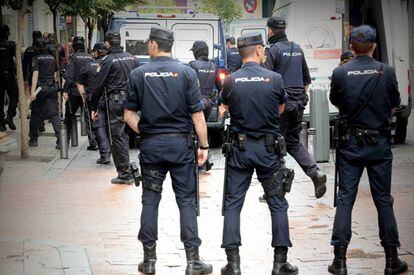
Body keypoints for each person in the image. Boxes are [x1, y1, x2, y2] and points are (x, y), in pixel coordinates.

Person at [124, 26, 212, 275]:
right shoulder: (186, 73)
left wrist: (146, 131)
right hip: (181, 147)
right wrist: (204, 146)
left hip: (151, 147)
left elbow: (128, 115)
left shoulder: (138, 74)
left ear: (153, 44)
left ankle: (149, 260)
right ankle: (193, 260)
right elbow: (198, 117)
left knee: (150, 200)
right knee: (186, 201)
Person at [328, 25, 407, 275]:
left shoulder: (341, 73)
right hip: (379, 144)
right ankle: (392, 259)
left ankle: (339, 261)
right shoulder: (387, 71)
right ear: (374, 45)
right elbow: (395, 102)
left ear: (351, 46)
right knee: (383, 200)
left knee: (345, 200)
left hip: (351, 144)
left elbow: (336, 101)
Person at [219, 32, 297, 275]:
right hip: (268, 150)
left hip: (240, 149)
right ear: (260, 51)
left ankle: (233, 264)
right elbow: (281, 108)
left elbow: (225, 106)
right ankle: (280, 262)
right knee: (277, 203)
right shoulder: (274, 79)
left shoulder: (230, 81)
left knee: (233, 204)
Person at [263, 16, 327, 199]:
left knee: (274, 143)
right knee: (292, 142)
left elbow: (267, 82)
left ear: (270, 30)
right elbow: (306, 81)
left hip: (281, 106)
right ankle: (315, 172)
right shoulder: (297, 49)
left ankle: (276, 188)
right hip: (299, 103)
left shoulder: (272, 51)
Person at [90, 32, 139, 184]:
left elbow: (98, 85)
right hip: (133, 100)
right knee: (139, 131)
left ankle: (125, 174)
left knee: (118, 137)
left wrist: (93, 106)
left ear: (107, 44)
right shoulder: (132, 57)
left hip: (116, 102)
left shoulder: (107, 61)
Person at [189, 40, 221, 171]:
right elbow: (220, 86)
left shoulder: (192, 65)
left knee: (192, 132)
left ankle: (196, 162)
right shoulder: (213, 66)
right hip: (209, 103)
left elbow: (190, 86)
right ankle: (205, 161)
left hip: (196, 103)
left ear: (196, 52)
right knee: (203, 130)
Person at [77, 42, 111, 164]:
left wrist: (84, 97)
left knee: (99, 127)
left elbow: (79, 82)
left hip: (94, 101)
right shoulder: (110, 63)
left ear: (96, 52)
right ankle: (111, 152)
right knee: (111, 126)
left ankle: (105, 155)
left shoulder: (88, 65)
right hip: (111, 99)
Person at [28, 38, 60, 147]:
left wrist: (32, 92)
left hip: (40, 89)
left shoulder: (36, 58)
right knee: (54, 114)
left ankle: (33, 139)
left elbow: (35, 74)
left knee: (36, 114)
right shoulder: (52, 58)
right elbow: (56, 74)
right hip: (51, 88)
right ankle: (60, 139)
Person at [63, 36, 94, 149]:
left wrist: (65, 90)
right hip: (86, 92)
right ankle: (93, 142)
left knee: (69, 117)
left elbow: (70, 77)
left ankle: (65, 141)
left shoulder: (73, 58)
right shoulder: (90, 58)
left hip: (74, 93)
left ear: (74, 46)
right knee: (89, 117)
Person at [0, 24, 18, 131]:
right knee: (14, 95)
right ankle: (10, 115)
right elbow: (17, 58)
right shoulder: (11, 45)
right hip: (9, 76)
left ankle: (1, 123)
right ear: (7, 33)